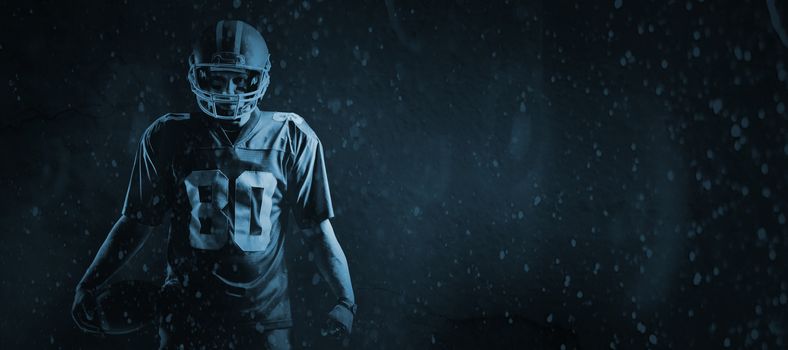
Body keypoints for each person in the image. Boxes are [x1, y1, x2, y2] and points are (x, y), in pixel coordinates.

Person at [71, 20, 357, 350]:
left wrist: (346, 300)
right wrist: (89, 282)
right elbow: (136, 222)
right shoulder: (168, 136)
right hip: (186, 315)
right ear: (197, 76)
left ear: (260, 78)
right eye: (218, 80)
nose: (229, 93)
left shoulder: (292, 136)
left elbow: (318, 232)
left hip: (264, 320)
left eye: (239, 79)